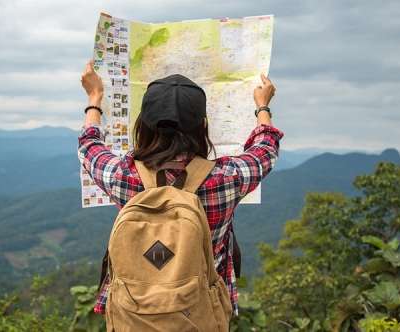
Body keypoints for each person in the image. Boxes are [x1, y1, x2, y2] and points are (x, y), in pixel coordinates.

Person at [78, 60, 283, 318]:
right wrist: (262, 106)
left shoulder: (123, 176)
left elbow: (89, 146)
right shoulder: (224, 179)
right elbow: (266, 149)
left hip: (138, 316)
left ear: (142, 125)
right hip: (200, 314)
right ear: (203, 127)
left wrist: (94, 98)